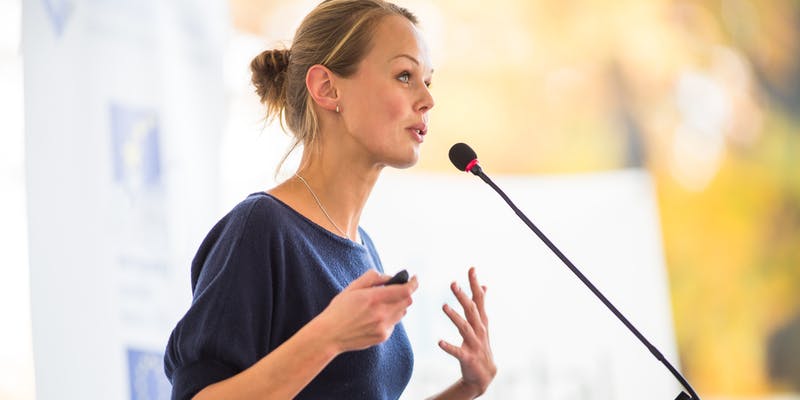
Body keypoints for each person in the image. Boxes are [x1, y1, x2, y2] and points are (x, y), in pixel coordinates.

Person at [163, 0, 496, 398]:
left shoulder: (362, 247)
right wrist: (329, 337)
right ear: (326, 88)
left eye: (428, 80)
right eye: (405, 75)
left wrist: (467, 388)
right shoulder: (261, 228)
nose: (427, 99)